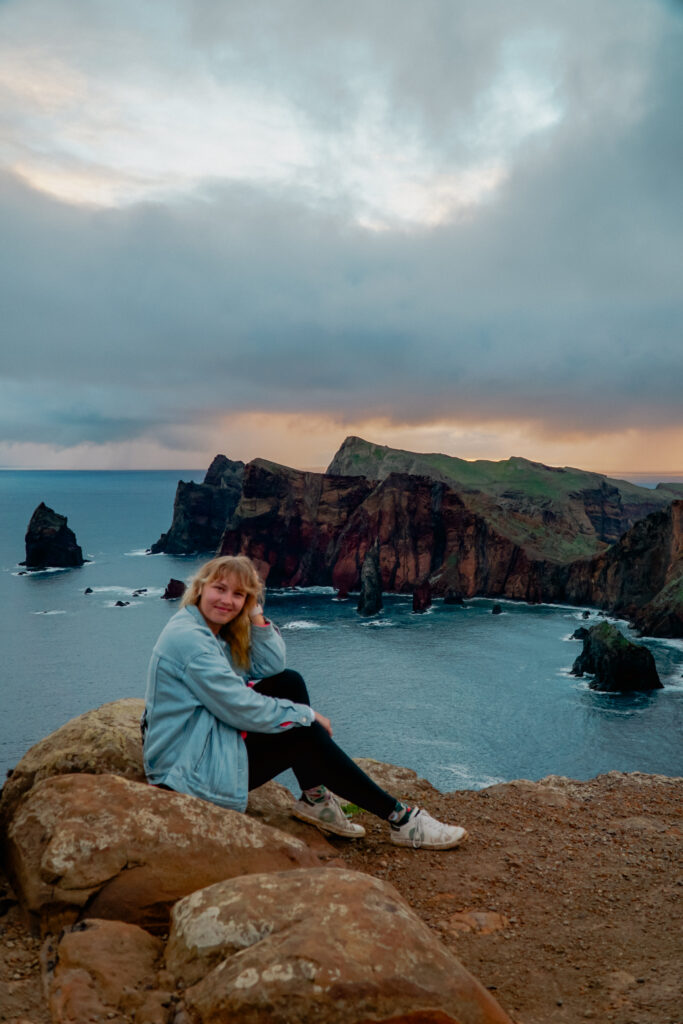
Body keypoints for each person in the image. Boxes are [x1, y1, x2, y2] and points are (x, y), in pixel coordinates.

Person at [142, 555, 467, 850]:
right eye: (220, 589)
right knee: (304, 734)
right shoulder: (191, 641)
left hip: (197, 748)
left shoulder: (208, 631)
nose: (227, 600)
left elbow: (271, 667)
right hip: (185, 774)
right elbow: (239, 707)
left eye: (239, 595)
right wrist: (306, 715)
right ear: (200, 588)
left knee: (290, 682)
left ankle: (314, 798)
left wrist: (256, 615)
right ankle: (401, 819)